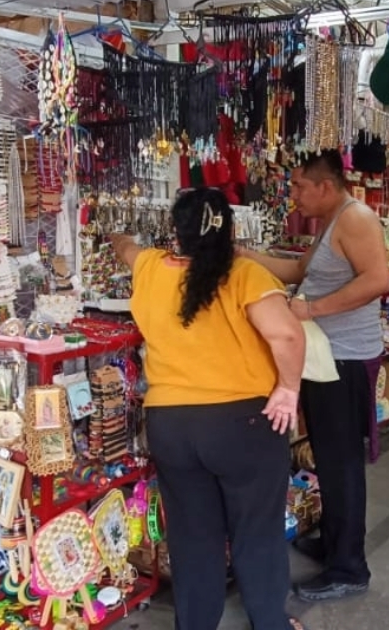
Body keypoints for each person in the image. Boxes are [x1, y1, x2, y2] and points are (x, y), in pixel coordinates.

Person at [111, 188, 306, 630]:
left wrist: (118, 237)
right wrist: (288, 389)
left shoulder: (151, 267)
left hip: (171, 426)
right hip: (243, 426)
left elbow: (127, 249)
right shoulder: (245, 274)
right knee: (256, 533)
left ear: (175, 232)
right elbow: (288, 335)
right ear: (230, 231)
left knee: (193, 539)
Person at [241, 150, 389, 602]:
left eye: (299, 186)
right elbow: (297, 271)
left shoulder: (355, 218)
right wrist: (243, 256)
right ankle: (333, 543)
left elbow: (378, 280)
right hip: (326, 358)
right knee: (328, 459)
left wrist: (313, 309)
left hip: (344, 360)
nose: (294, 194)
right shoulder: (329, 222)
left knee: (341, 465)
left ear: (325, 186)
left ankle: (349, 568)